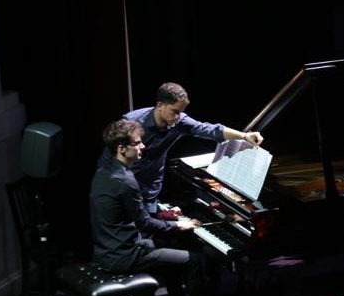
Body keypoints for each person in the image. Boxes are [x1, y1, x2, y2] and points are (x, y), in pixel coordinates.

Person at [90, 118, 217, 296]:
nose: (143, 146)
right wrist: (180, 226)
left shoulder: (104, 172)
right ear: (122, 149)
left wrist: (165, 214)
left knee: (169, 244)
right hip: (126, 256)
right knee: (194, 259)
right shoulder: (125, 180)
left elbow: (130, 215)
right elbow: (145, 224)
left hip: (106, 251)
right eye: (138, 143)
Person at [99, 82, 264, 216]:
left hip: (150, 190)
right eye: (174, 112)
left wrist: (244, 136)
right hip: (125, 188)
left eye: (181, 112)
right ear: (160, 105)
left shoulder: (179, 122)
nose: (178, 117)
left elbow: (211, 130)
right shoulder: (133, 123)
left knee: (148, 236)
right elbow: (109, 161)